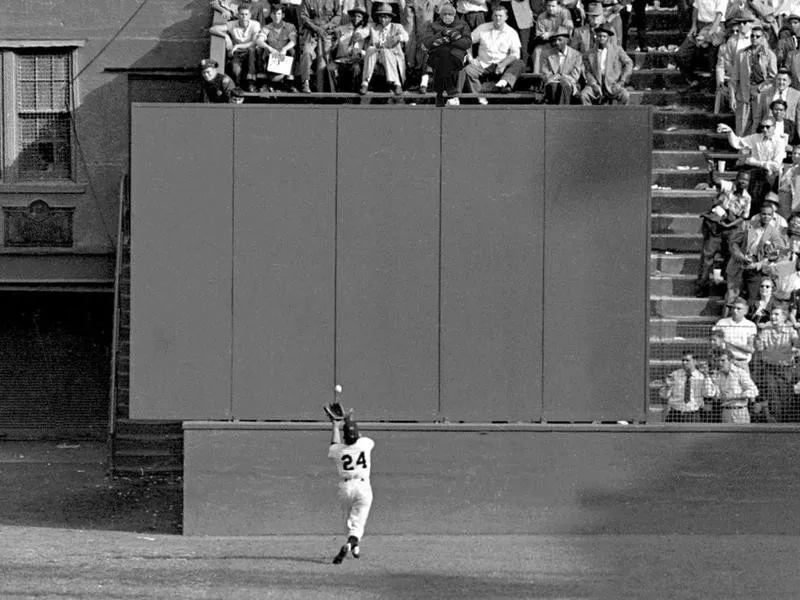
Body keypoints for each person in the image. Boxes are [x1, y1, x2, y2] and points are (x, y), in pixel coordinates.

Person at [695, 170, 752, 297]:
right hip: (716, 225)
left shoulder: (747, 198)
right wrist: (711, 170)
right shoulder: (729, 186)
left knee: (729, 258)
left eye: (746, 180)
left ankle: (726, 290)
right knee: (708, 257)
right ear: (737, 179)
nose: (743, 182)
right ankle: (702, 286)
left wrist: (729, 225)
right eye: (741, 179)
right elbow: (716, 181)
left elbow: (743, 217)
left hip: (730, 228)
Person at [328, 416, 375, 564]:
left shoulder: (337, 450)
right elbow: (361, 437)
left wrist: (336, 426)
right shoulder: (365, 444)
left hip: (346, 488)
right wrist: (349, 419)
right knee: (358, 523)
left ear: (344, 436)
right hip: (362, 486)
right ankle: (350, 545)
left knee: (349, 521)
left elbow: (334, 443)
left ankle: (354, 547)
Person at [460, 5, 527, 104]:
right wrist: (470, 57)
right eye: (495, 15)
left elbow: (515, 54)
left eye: (500, 16)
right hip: (483, 64)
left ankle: (503, 83)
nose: (498, 18)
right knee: (468, 69)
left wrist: (503, 64)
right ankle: (480, 97)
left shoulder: (511, 32)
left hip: (501, 65)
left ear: (506, 17)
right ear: (492, 16)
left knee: (520, 63)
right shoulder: (483, 28)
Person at [717, 118, 787, 211]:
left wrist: (756, 162)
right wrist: (730, 131)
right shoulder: (756, 138)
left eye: (768, 127)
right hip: (755, 172)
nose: (764, 129)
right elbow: (737, 143)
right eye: (763, 127)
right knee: (744, 179)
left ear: (774, 127)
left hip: (771, 175)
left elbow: (775, 165)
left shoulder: (779, 142)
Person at [729, 24, 777, 136]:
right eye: (752, 36)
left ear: (763, 38)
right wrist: (732, 96)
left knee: (758, 125)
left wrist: (760, 89)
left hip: (761, 92)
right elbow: (734, 78)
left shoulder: (769, 55)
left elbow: (772, 78)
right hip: (744, 91)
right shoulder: (742, 54)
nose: (754, 38)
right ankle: (742, 151)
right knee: (742, 126)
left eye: (757, 36)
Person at [753, 305, 800, 421]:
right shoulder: (766, 330)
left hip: (786, 369)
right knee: (773, 396)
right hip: (770, 368)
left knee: (786, 396)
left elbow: (797, 347)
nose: (773, 317)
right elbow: (760, 349)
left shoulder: (791, 331)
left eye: (776, 314)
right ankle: (776, 422)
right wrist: (758, 334)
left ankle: (786, 422)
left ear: (784, 317)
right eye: (772, 314)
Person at [420, 4, 472, 105]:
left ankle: (439, 94)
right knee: (443, 53)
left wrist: (447, 40)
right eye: (445, 14)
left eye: (450, 14)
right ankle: (449, 87)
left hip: (455, 56)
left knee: (443, 52)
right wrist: (441, 33)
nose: (447, 17)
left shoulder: (462, 25)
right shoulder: (433, 25)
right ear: (440, 16)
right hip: (438, 56)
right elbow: (426, 43)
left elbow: (467, 43)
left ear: (454, 15)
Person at [673, 0, 727, 89]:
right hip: (700, 26)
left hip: (716, 27)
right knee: (680, 55)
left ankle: (713, 86)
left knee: (713, 56)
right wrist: (694, 26)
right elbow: (695, 8)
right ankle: (692, 80)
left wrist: (708, 35)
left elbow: (719, 16)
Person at [360, 3, 410, 94]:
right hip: (377, 57)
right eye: (381, 17)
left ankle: (396, 83)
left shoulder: (397, 27)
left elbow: (406, 36)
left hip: (393, 57)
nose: (383, 19)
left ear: (390, 18)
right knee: (371, 49)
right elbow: (363, 32)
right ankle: (365, 82)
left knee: (385, 51)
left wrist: (398, 38)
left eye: (386, 17)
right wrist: (359, 35)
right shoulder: (374, 28)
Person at [210, 5, 262, 90]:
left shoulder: (255, 24)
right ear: (238, 15)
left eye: (246, 14)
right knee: (236, 71)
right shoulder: (232, 24)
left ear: (250, 15)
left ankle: (251, 83)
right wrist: (226, 36)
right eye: (241, 14)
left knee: (252, 51)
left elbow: (254, 42)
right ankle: (238, 86)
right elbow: (213, 29)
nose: (244, 17)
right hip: (237, 53)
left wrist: (237, 45)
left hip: (250, 52)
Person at [580, 25, 633, 105]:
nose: (601, 38)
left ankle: (621, 117)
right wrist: (594, 84)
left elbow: (629, 63)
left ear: (608, 38)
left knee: (625, 95)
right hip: (596, 83)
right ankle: (589, 116)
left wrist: (621, 81)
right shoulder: (589, 53)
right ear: (595, 37)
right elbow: (587, 71)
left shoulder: (617, 50)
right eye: (599, 36)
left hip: (613, 83)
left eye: (604, 36)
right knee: (584, 95)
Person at [298, 0, 342, 92]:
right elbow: (303, 16)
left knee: (324, 61)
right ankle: (305, 82)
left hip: (327, 33)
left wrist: (327, 26)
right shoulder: (307, 1)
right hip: (311, 33)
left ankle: (326, 92)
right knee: (306, 53)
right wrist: (316, 28)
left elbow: (338, 15)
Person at [659, 352, 715, 422]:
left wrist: (707, 377)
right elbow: (664, 395)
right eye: (683, 360)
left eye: (687, 360)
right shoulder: (675, 374)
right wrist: (667, 387)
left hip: (693, 415)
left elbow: (709, 394)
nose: (684, 362)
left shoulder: (702, 376)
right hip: (675, 414)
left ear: (695, 362)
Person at [255, 5, 298, 91]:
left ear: (283, 15)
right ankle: (265, 82)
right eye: (274, 14)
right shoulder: (267, 27)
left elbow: (293, 41)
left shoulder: (289, 26)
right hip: (271, 55)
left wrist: (284, 49)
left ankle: (290, 81)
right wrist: (269, 48)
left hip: (285, 55)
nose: (276, 16)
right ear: (271, 15)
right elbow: (259, 41)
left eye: (279, 14)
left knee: (292, 51)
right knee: (259, 49)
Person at [329, 4, 371, 92]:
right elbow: (333, 36)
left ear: (363, 18)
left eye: (359, 16)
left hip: (357, 59)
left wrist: (361, 52)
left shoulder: (367, 30)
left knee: (356, 68)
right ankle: (336, 93)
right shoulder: (342, 28)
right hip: (342, 59)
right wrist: (335, 39)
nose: (356, 19)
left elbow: (369, 46)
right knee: (331, 68)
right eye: (354, 16)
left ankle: (354, 95)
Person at [710, 350, 759, 423]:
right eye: (717, 361)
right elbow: (717, 395)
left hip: (740, 412)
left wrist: (734, 396)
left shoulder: (740, 373)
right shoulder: (718, 375)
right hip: (725, 412)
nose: (720, 363)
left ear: (731, 361)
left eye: (723, 360)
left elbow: (754, 391)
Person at [711, 296, 758, 370]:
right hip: (723, 361)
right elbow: (714, 341)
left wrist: (730, 342)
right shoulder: (722, 322)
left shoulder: (750, 325)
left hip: (741, 362)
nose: (735, 311)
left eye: (739, 309)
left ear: (745, 311)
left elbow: (750, 349)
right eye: (733, 308)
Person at [540, 27, 583, 104]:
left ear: (566, 40)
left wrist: (561, 76)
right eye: (555, 40)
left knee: (564, 86)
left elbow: (575, 76)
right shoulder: (546, 54)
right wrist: (555, 78)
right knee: (553, 86)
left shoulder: (577, 55)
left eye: (560, 40)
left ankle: (561, 111)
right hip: (552, 81)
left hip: (569, 83)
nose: (556, 42)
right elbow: (545, 73)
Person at [752, 70, 800, 134]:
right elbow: (758, 116)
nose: (781, 82)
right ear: (775, 80)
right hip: (767, 132)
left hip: (787, 133)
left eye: (784, 80)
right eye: (779, 79)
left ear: (789, 82)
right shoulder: (765, 93)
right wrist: (754, 134)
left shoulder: (796, 95)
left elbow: (799, 118)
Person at [532, 0, 574, 73]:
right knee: (537, 50)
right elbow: (540, 35)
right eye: (549, 6)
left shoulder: (565, 13)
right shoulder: (542, 16)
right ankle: (537, 78)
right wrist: (547, 36)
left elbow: (567, 30)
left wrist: (550, 34)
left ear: (558, 6)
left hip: (563, 41)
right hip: (548, 42)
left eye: (553, 6)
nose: (551, 8)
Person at [779, 146, 800, 215]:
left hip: (793, 200)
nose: (796, 155)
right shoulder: (787, 167)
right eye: (794, 153)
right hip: (783, 198)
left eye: (799, 154)